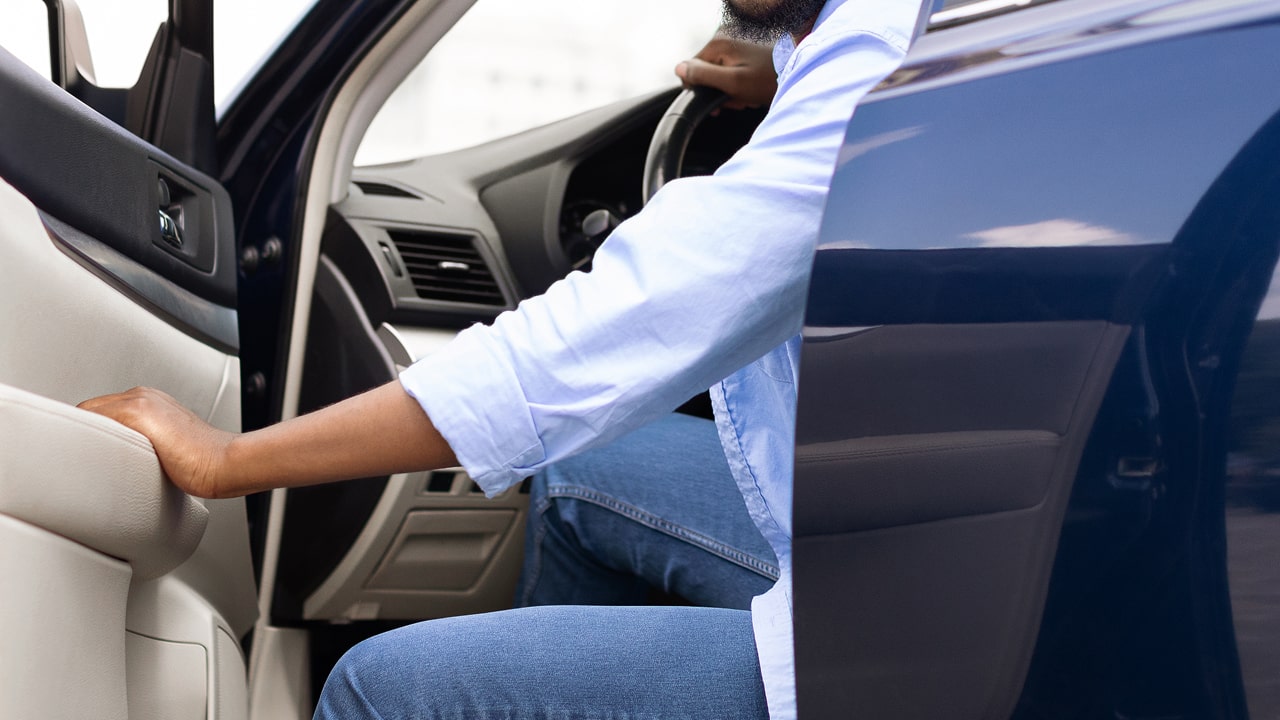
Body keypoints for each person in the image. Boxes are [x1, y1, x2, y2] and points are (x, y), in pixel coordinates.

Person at [79, 1, 927, 718]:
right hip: (917, 524)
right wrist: (788, 68)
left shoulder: (879, 79)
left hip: (923, 629)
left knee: (382, 691)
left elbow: (584, 349)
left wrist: (229, 459)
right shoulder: (895, 36)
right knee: (581, 473)